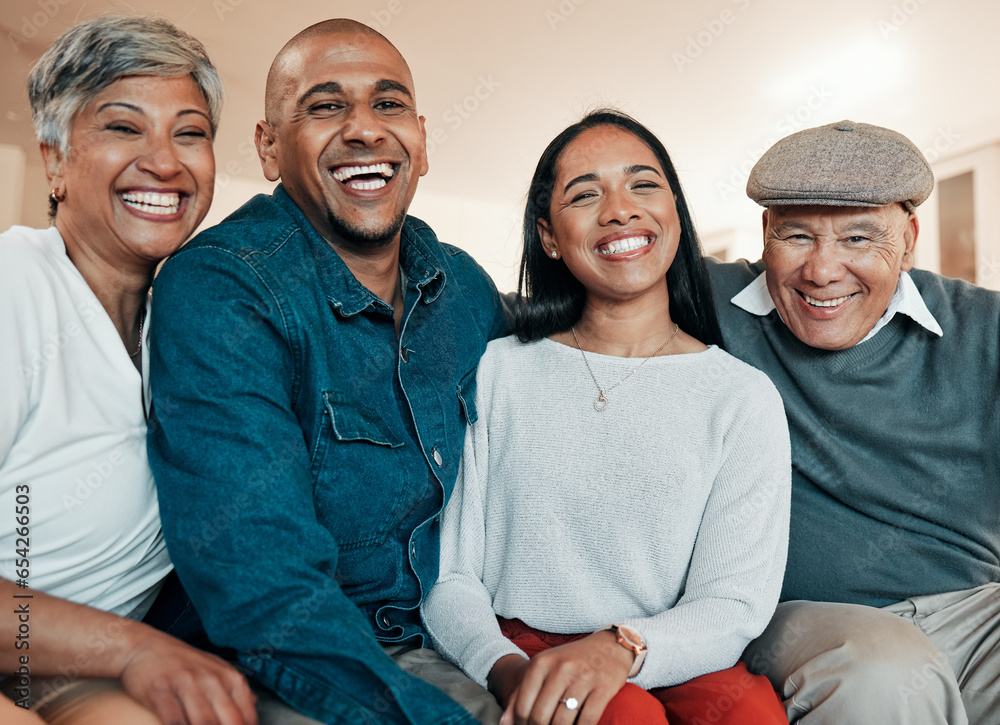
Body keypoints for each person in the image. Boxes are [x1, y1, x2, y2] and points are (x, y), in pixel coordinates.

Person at [146, 18, 508, 725]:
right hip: (285, 663)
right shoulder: (222, 287)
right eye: (326, 105)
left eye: (388, 103)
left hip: (458, 634)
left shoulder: (466, 288)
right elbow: (263, 588)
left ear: (423, 141)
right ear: (269, 146)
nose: (365, 129)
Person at [420, 110, 791, 725]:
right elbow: (448, 575)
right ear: (549, 237)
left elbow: (731, 602)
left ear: (675, 211)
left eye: (643, 186)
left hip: (673, 652)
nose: (620, 210)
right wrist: (506, 669)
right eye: (585, 194)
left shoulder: (742, 397)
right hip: (526, 646)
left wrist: (621, 649)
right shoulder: (496, 373)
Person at [0, 15, 258, 725]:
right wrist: (134, 649)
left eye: (189, 131)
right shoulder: (15, 285)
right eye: (123, 127)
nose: (166, 162)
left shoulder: (193, 321)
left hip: (55, 666)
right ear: (54, 160)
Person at [705, 119, 1000, 724]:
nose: (822, 270)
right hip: (804, 621)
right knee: (884, 672)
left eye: (859, 239)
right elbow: (518, 308)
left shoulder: (986, 329)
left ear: (909, 236)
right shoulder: (703, 303)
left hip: (973, 611)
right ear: (765, 233)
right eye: (797, 236)